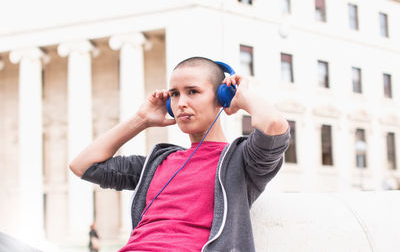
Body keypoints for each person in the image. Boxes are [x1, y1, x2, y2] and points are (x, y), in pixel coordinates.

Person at [69, 57, 290, 252]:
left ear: (222, 97)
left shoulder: (241, 160)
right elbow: (83, 165)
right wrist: (141, 120)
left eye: (192, 91)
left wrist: (243, 97)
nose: (181, 103)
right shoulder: (157, 164)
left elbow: (274, 124)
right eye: (174, 94)